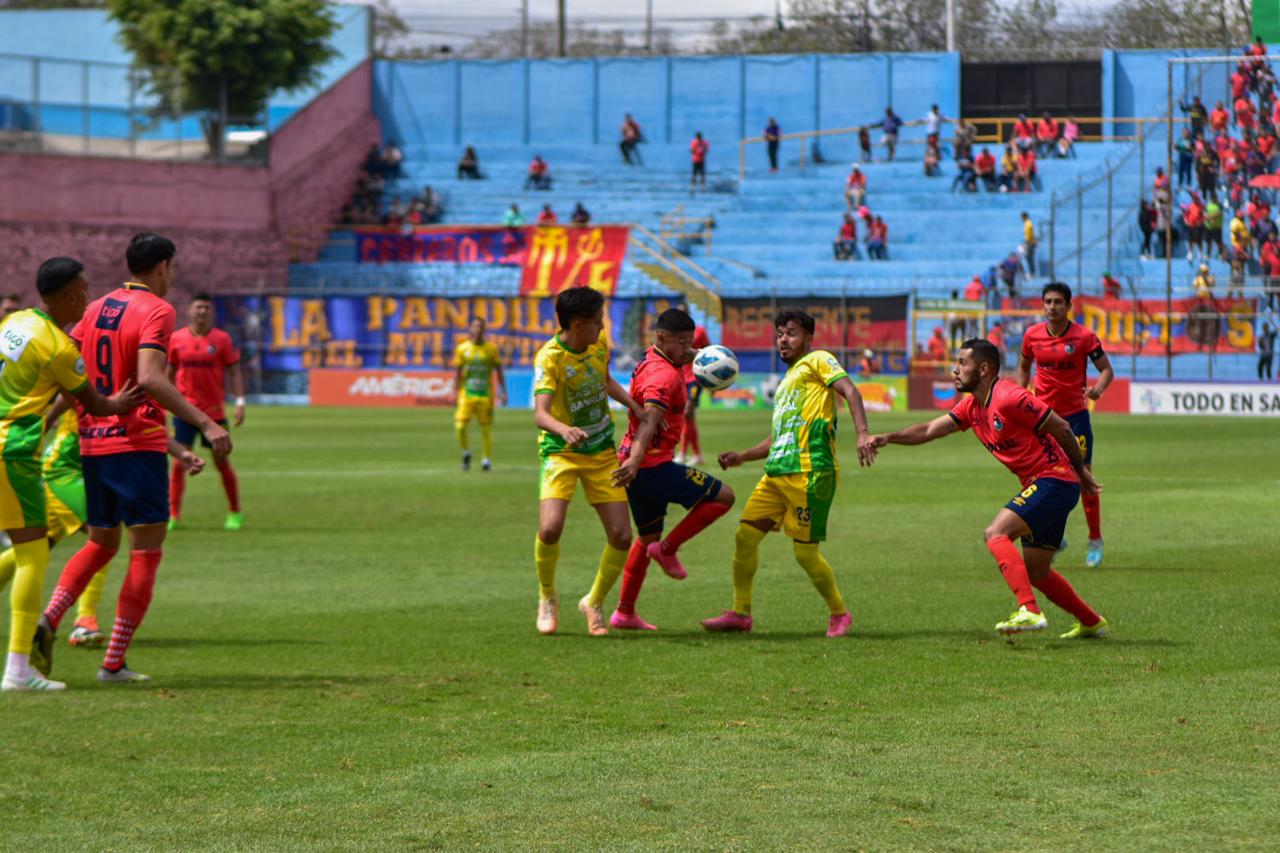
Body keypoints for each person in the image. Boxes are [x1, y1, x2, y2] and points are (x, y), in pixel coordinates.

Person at [36, 234, 233, 686]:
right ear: (163, 266)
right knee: (145, 551)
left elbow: (73, 373)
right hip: (136, 445)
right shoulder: (158, 311)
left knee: (100, 544)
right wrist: (205, 423)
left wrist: (49, 420)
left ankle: (48, 619)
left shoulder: (95, 307)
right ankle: (113, 663)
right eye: (173, 269)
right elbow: (150, 377)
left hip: (92, 444)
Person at [870, 339, 1109, 638]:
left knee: (995, 533)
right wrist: (888, 437)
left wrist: (1081, 470)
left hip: (1055, 480)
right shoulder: (972, 406)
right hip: (1046, 484)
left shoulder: (1009, 396)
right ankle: (1091, 622)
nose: (955, 370)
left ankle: (1029, 610)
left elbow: (1060, 425)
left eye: (962, 363)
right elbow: (931, 429)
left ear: (983, 369)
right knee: (1037, 571)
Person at [0, 258, 146, 692]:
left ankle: (22, 665)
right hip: (13, 453)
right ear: (67, 296)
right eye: (83, 290)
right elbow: (94, 403)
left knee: (31, 549)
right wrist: (122, 403)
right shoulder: (60, 347)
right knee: (33, 558)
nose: (87, 296)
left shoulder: (15, 321)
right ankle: (18, 670)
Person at [701, 307, 877, 638]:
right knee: (745, 537)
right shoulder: (786, 382)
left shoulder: (819, 360)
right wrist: (742, 456)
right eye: (780, 333)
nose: (783, 339)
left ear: (808, 338)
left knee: (804, 553)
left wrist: (863, 432)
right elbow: (779, 437)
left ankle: (839, 613)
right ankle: (740, 613)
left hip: (810, 472)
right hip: (776, 473)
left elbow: (851, 390)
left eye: (792, 333)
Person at [0, 402, 204, 650]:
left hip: (92, 465)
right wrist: (46, 420)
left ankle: (79, 619)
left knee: (40, 545)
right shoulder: (90, 371)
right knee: (103, 538)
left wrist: (179, 452)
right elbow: (71, 392)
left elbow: (142, 419)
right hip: (66, 468)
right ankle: (85, 620)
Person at [609, 309, 735, 630]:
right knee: (724, 497)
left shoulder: (658, 356)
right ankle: (668, 550)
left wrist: (699, 353)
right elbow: (650, 420)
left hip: (639, 466)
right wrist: (637, 460)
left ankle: (624, 612)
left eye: (689, 342)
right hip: (652, 466)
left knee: (645, 537)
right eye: (682, 342)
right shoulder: (662, 377)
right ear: (662, 338)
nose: (687, 348)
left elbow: (682, 354)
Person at [531, 287, 642, 637]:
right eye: (596, 321)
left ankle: (593, 601)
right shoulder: (549, 358)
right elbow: (540, 414)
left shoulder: (598, 343)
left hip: (600, 451)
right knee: (550, 528)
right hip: (560, 451)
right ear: (577, 325)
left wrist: (632, 404)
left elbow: (605, 380)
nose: (602, 326)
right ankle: (547, 596)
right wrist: (565, 430)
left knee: (622, 536)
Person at [1015, 282, 1114, 569]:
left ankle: (1095, 539)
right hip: (1042, 418)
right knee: (1039, 480)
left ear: (1069, 306)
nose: (1052, 306)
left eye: (1058, 302)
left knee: (1084, 479)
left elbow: (1106, 369)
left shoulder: (1084, 337)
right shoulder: (1032, 336)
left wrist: (1099, 388)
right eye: (1048, 301)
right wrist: (1021, 395)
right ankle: (1054, 539)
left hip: (1075, 419)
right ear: (1042, 304)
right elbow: (1023, 366)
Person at [167, 292, 245, 531]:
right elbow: (168, 375)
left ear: (211, 312)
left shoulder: (221, 340)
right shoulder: (176, 339)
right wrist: (166, 403)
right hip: (185, 412)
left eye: (206, 308)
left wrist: (240, 401)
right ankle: (173, 514)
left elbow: (234, 370)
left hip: (214, 415)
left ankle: (234, 512)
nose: (202, 311)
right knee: (180, 463)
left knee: (221, 463)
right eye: (198, 307)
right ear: (190, 310)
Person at [454, 316, 506, 473]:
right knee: (460, 425)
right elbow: (457, 372)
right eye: (474, 326)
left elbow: (499, 370)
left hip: (485, 395)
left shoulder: (491, 349)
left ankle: (486, 459)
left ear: (484, 330)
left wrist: (503, 391)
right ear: (470, 329)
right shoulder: (462, 349)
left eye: (480, 327)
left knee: (485, 428)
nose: (477, 330)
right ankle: (466, 452)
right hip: (467, 394)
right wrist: (455, 391)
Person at [677, 318, 711, 465]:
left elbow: (708, 351)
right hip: (681, 378)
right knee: (688, 417)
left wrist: (709, 376)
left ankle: (683, 453)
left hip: (695, 378)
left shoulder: (700, 331)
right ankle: (696, 455)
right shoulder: (675, 334)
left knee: (687, 412)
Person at [1259, 316, 1276, 380]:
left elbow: (1277, 330)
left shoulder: (1271, 335)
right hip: (1264, 354)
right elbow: (1260, 346)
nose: (1265, 329)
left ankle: (1269, 381)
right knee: (1260, 366)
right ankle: (1260, 379)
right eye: (1264, 328)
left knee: (1268, 368)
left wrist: (1272, 322)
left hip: (1269, 354)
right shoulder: (1261, 336)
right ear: (1263, 328)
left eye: (1266, 327)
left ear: (1268, 328)